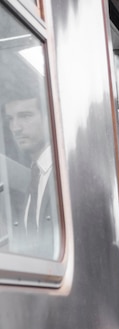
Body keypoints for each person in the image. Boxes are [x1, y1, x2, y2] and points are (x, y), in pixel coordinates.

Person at [3, 92, 59, 258]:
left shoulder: (63, 176)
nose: (16, 128)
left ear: (49, 119)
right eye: (10, 119)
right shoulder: (34, 177)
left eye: (25, 116)